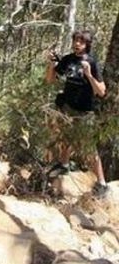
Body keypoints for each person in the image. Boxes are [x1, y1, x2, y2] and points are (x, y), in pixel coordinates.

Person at [45, 30, 108, 197]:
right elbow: (51, 80)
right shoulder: (68, 59)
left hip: (85, 111)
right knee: (66, 137)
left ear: (87, 44)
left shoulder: (92, 62)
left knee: (89, 147)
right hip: (68, 107)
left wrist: (88, 75)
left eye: (81, 41)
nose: (77, 44)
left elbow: (101, 91)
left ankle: (102, 183)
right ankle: (64, 164)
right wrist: (51, 65)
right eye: (75, 41)